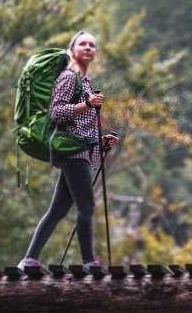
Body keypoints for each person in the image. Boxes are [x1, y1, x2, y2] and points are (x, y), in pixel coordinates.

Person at [18, 30, 118, 270]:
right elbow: (56, 112)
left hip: (79, 149)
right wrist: (87, 104)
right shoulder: (68, 77)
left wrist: (102, 141)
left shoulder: (85, 82)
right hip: (71, 150)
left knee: (58, 210)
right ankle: (88, 262)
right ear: (72, 50)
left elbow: (80, 124)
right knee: (87, 207)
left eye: (92, 45)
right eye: (83, 44)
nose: (88, 48)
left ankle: (28, 260)